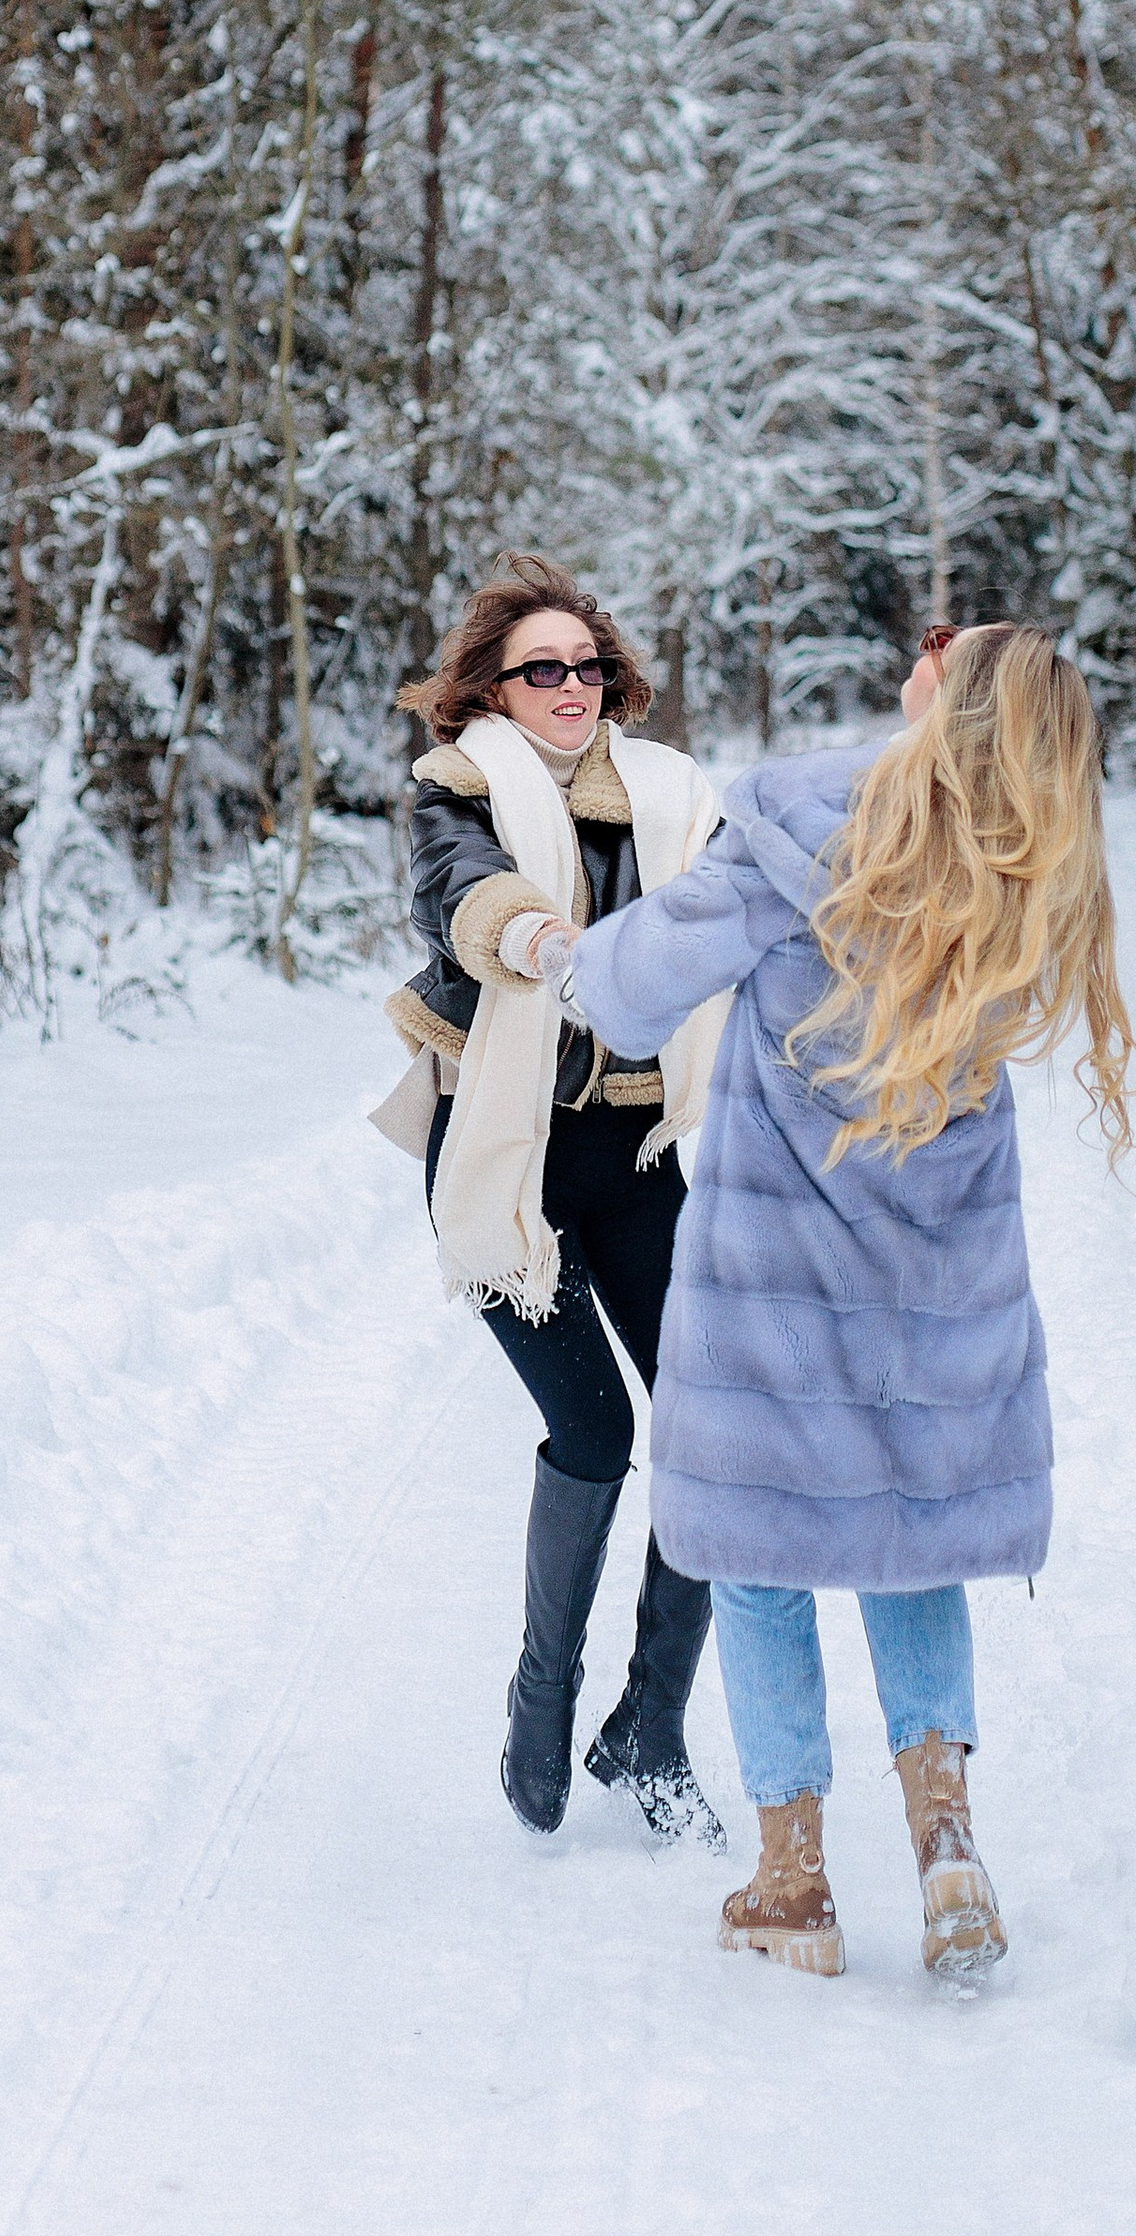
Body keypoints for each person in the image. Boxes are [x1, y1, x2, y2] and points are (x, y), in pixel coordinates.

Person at [570, 621, 1136, 1981]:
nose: (926, 643)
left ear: (953, 699)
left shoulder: (796, 830)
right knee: (914, 1548)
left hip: (778, 1292)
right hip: (937, 1288)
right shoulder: (1024, 872)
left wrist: (552, 947)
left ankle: (792, 1883)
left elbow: (629, 996)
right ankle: (944, 1839)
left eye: (957, 643)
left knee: (761, 1565)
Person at [372, 552, 731, 1849]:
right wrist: (545, 941)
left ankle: (649, 1730)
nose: (570, 687)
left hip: (632, 1152)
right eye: (542, 669)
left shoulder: (677, 801)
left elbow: (753, 906)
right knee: (592, 1433)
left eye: (586, 666)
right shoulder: (456, 789)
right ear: (496, 686)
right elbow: (466, 896)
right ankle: (545, 1685)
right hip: (503, 1153)